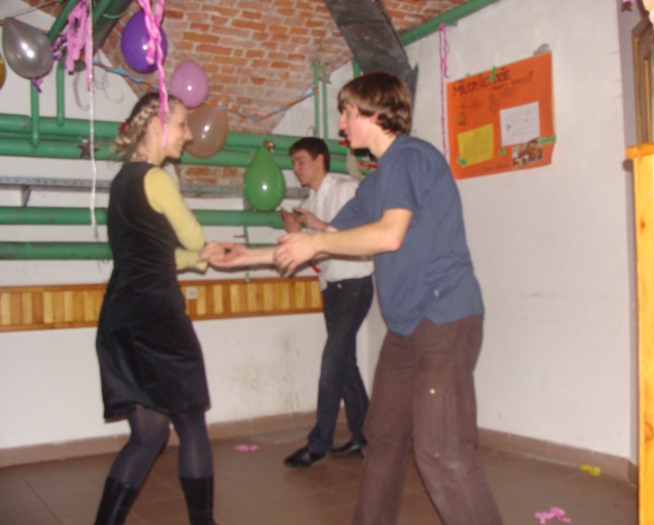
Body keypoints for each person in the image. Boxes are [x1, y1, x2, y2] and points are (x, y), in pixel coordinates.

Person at [272, 72, 503, 525]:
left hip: (444, 317)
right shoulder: (376, 184)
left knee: (442, 452)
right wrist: (247, 255)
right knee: (383, 439)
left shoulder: (410, 157)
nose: (341, 124)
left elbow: (389, 234)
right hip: (405, 328)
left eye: (347, 112)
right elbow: (330, 237)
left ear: (376, 113)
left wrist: (315, 244)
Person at [94, 92, 222, 525]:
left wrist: (201, 259)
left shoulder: (122, 182)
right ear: (155, 125)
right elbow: (192, 237)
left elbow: (152, 255)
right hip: (157, 320)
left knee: (148, 435)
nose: (189, 134)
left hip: (120, 320)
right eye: (182, 124)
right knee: (190, 425)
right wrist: (203, 248)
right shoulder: (157, 178)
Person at [280, 137, 374, 468]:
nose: (296, 169)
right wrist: (297, 234)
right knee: (345, 365)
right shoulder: (309, 202)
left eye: (301, 161)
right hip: (332, 288)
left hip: (355, 284)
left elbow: (359, 234)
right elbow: (319, 253)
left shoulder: (346, 189)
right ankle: (366, 436)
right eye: (293, 163)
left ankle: (318, 443)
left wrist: (316, 226)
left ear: (320, 159)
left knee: (331, 363)